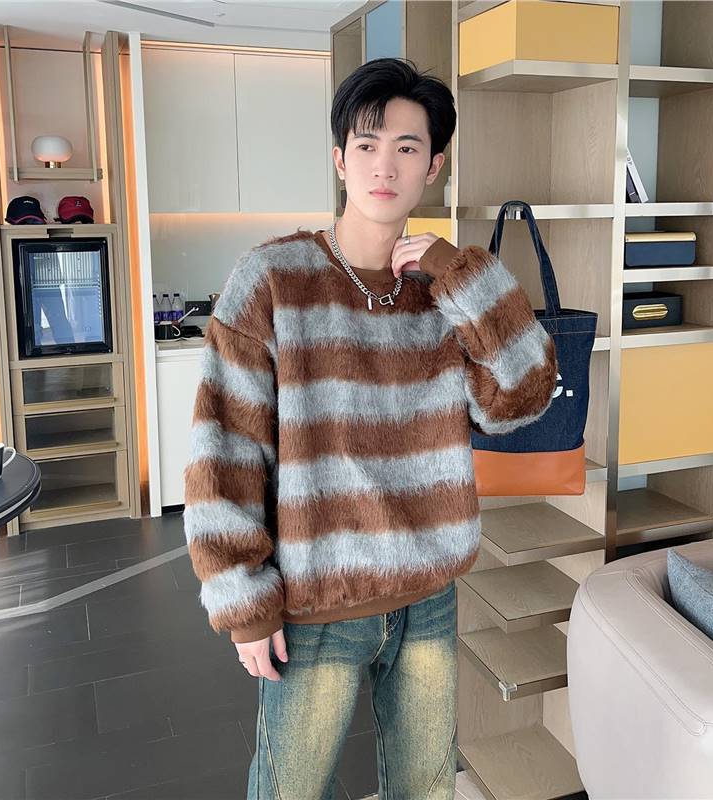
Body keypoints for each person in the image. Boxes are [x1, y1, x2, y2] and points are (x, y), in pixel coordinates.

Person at [182, 57, 558, 800]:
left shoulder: (447, 290)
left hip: (428, 595)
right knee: (291, 790)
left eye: (407, 147)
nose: (385, 165)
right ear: (340, 160)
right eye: (366, 145)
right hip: (317, 602)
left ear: (433, 166)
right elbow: (225, 448)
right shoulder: (272, 279)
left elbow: (525, 395)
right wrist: (243, 600)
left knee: (426, 787)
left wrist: (462, 273)